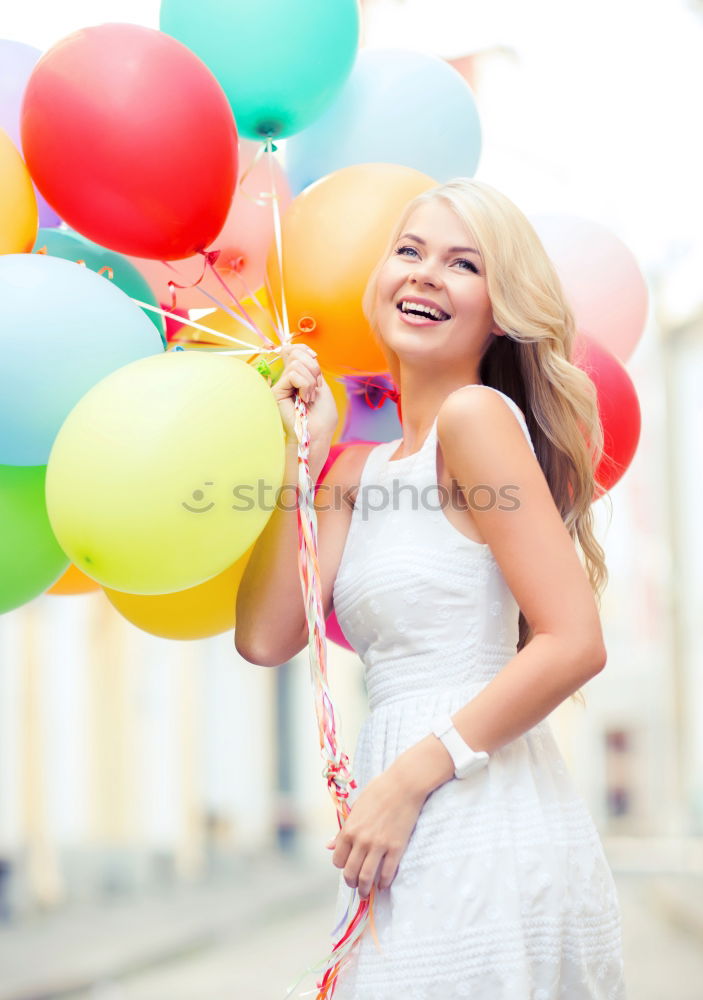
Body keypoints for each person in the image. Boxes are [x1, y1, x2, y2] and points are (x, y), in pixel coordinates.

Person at [235, 178, 626, 999]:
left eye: (461, 264)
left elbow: (574, 641)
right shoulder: (352, 471)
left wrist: (410, 779)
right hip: (395, 820)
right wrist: (299, 457)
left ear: (499, 308)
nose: (422, 275)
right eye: (408, 252)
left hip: (472, 806)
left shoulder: (475, 420)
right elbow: (267, 637)